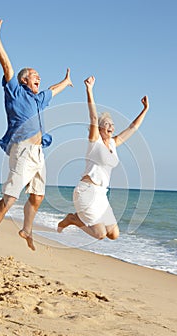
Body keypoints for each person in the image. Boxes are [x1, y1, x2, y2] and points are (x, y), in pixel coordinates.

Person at [0, 16, 73, 265]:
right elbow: (7, 66)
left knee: (38, 197)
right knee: (9, 199)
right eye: (34, 75)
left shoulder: (39, 99)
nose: (38, 77)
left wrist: (67, 81)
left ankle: (26, 230)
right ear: (24, 80)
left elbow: (52, 90)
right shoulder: (15, 91)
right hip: (23, 150)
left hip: (39, 153)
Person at [57, 76, 149, 239]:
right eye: (107, 124)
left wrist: (145, 109)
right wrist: (89, 90)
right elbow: (92, 117)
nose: (111, 127)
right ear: (99, 128)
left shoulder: (113, 143)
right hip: (87, 191)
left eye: (112, 124)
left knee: (113, 234)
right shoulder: (95, 141)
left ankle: (76, 218)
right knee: (100, 234)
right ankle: (72, 219)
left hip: (101, 194)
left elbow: (133, 128)